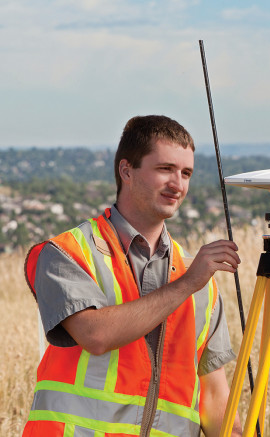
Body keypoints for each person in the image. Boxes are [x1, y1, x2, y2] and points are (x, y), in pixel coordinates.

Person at [23, 115, 242, 436]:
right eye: (165, 169)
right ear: (126, 170)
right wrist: (187, 284)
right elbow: (95, 335)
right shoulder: (67, 253)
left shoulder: (198, 278)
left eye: (186, 173)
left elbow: (213, 395)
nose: (177, 184)